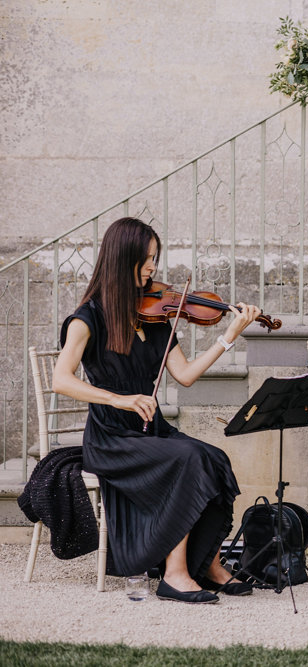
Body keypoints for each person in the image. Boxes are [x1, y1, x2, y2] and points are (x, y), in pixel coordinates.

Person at [53, 217, 262, 604]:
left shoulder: (157, 316)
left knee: (213, 457)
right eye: (146, 259)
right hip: (112, 437)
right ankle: (176, 574)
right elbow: (61, 379)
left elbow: (184, 375)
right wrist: (118, 398)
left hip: (150, 430)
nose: (153, 268)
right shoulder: (88, 318)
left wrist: (228, 337)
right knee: (186, 459)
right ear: (122, 258)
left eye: (155, 258)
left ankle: (209, 564)